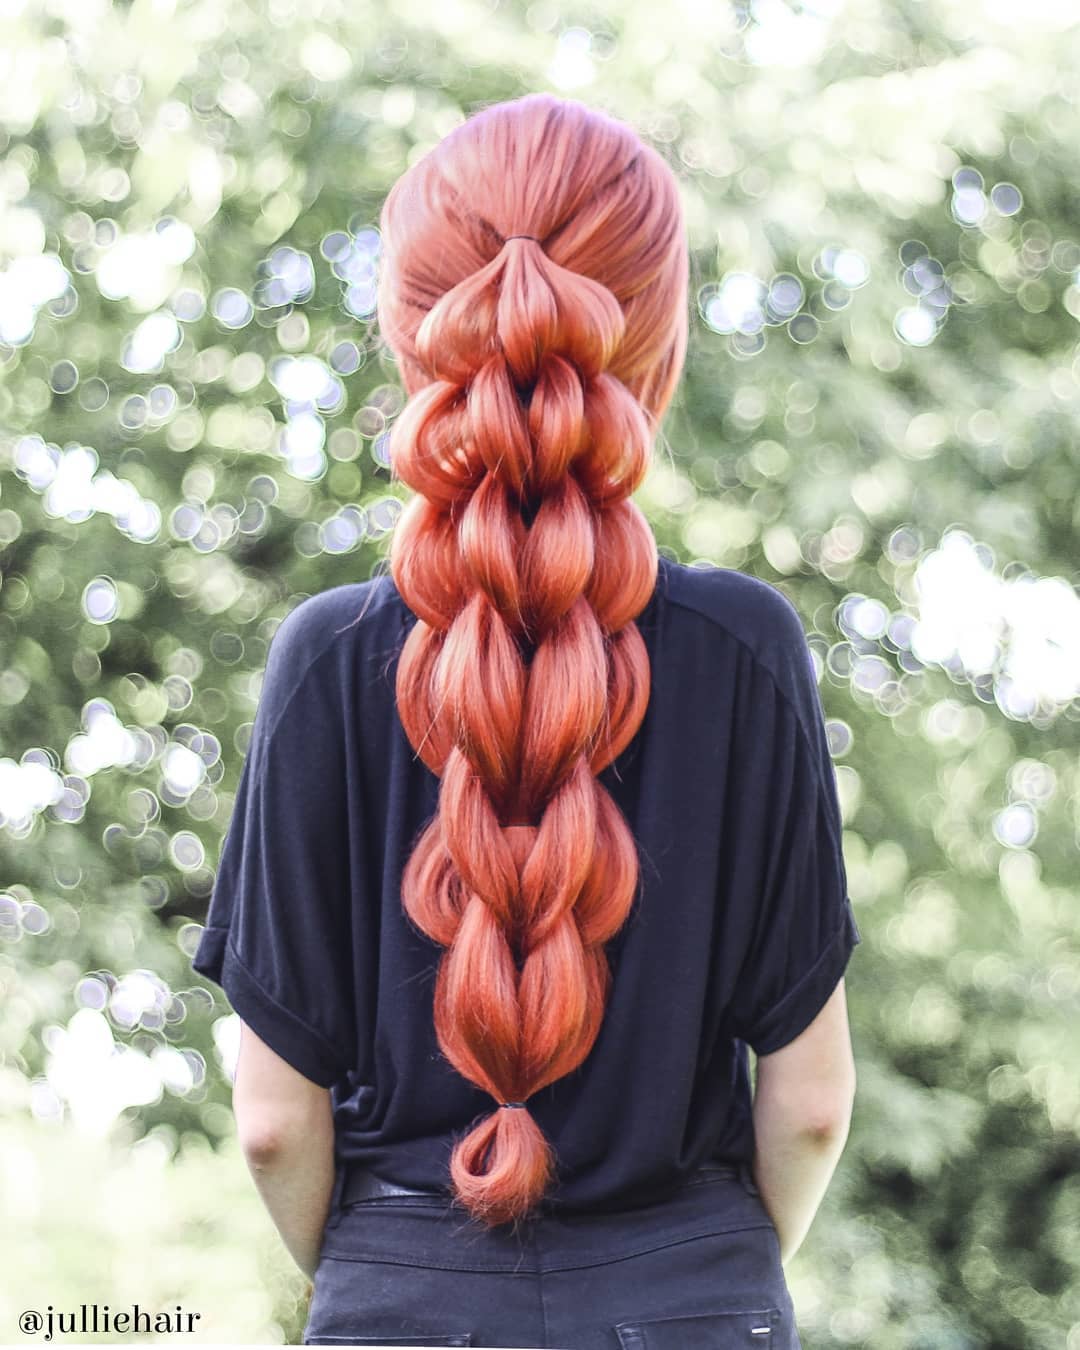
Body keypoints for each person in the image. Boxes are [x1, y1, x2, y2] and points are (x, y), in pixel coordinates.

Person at [191, 90, 861, 1349]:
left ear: (417, 330)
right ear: (652, 337)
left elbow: (275, 1121)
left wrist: (378, 1278)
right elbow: (812, 1105)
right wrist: (703, 1278)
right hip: (695, 1299)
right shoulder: (745, 648)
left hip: (401, 1298)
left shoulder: (328, 657)